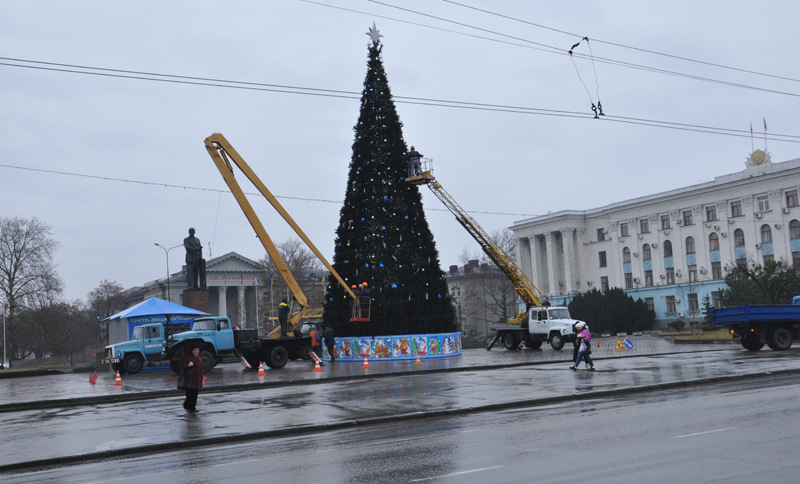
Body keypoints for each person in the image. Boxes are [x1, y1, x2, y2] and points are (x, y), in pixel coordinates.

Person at [180, 345, 204, 413]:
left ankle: (193, 408)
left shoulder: (199, 358)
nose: (197, 352)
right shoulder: (187, 357)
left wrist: (202, 377)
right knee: (190, 395)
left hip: (197, 380)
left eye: (198, 350)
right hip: (190, 380)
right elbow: (181, 365)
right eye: (195, 350)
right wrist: (188, 365)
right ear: (192, 351)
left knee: (195, 395)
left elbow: (201, 369)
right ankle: (187, 406)